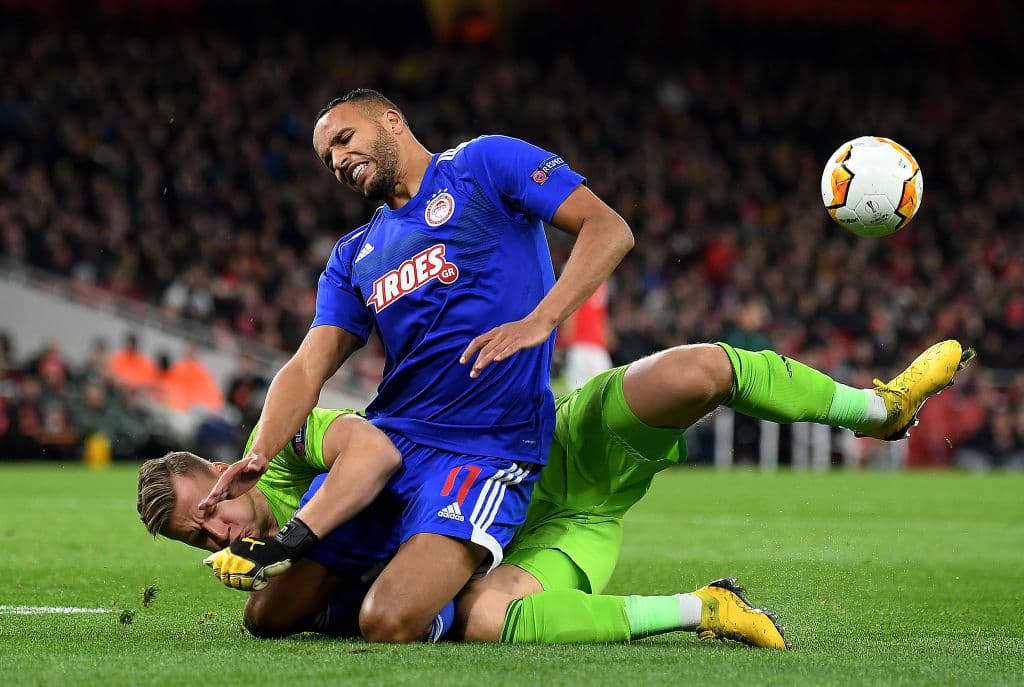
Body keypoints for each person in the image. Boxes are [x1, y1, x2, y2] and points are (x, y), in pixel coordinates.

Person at [140, 338, 973, 646]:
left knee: (700, 368)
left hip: (539, 452)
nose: (214, 531)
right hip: (555, 536)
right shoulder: (274, 595)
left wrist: (291, 539)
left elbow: (370, 453)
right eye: (196, 537)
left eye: (207, 507)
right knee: (487, 618)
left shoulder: (284, 453)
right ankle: (705, 607)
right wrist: (278, 571)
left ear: (221, 475)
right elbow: (284, 618)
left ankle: (880, 408)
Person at [196, 88, 635, 642]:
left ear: (392, 121)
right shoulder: (355, 253)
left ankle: (439, 583)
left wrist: (541, 320)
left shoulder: (484, 164)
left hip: (484, 446)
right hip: (396, 444)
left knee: (389, 621)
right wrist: (261, 450)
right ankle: (413, 568)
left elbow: (609, 229)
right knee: (267, 617)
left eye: (343, 139)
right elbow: (309, 364)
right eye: (325, 157)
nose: (336, 161)